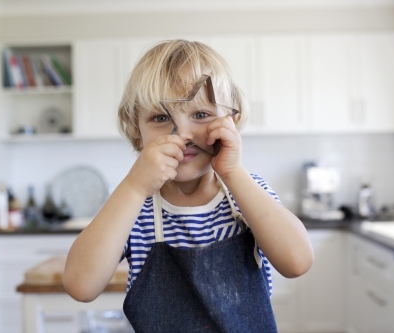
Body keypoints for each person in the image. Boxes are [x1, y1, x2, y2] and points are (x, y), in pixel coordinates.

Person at [63, 39, 314, 332]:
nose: (182, 133)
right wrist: (133, 187)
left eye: (201, 115)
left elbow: (297, 262)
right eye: (160, 117)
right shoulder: (134, 206)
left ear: (232, 120)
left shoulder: (247, 192)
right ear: (136, 129)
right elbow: (81, 285)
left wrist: (233, 172)